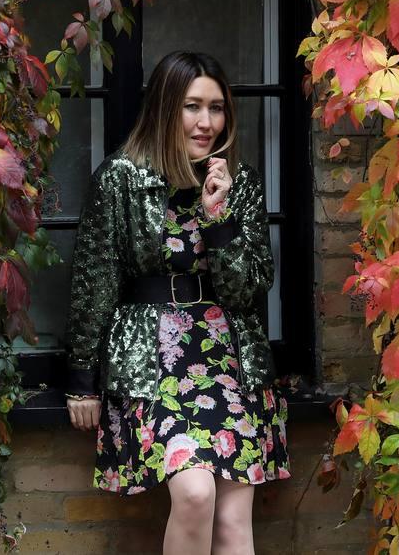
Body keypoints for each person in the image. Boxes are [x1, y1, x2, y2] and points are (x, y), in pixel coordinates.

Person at [65, 50, 289, 555]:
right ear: (167, 108)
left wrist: (219, 218)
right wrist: (82, 379)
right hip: (152, 360)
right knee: (194, 494)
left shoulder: (240, 183)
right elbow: (94, 279)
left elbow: (249, 290)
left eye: (216, 108)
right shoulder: (120, 179)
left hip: (229, 358)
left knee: (234, 521)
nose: (206, 122)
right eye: (192, 106)